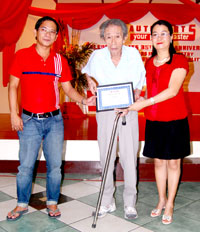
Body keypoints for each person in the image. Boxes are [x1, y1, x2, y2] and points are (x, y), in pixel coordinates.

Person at [7, 16, 95, 221]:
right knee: (25, 166)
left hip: (54, 122)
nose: (48, 34)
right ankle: (21, 204)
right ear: (36, 32)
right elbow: (13, 86)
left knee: (55, 166)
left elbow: (68, 89)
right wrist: (13, 113)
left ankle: (52, 201)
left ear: (56, 36)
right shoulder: (22, 55)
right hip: (28, 121)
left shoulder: (59, 60)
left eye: (52, 31)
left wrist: (83, 100)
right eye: (44, 30)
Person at [119, 20, 190, 225]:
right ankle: (161, 200)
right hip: (154, 120)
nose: (159, 38)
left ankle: (170, 204)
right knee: (159, 162)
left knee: (174, 163)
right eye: (155, 34)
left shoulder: (179, 60)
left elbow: (172, 90)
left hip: (175, 120)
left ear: (171, 37)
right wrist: (136, 101)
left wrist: (145, 103)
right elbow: (149, 91)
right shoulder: (149, 63)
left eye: (163, 34)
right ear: (150, 38)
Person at [82, 18, 146, 219]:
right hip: (106, 111)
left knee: (128, 157)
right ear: (104, 38)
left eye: (117, 36)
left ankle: (129, 203)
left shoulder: (133, 54)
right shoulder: (97, 55)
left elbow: (140, 82)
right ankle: (107, 201)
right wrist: (90, 81)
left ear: (125, 37)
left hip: (129, 110)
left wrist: (134, 97)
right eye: (108, 37)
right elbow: (86, 74)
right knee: (106, 156)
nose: (113, 41)